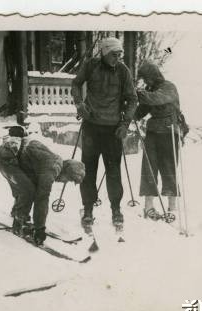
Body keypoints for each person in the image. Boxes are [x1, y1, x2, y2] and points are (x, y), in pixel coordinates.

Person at [71, 37, 137, 228]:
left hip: (113, 130)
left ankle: (116, 210)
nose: (117, 58)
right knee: (88, 171)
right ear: (104, 53)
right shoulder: (91, 66)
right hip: (91, 127)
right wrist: (79, 103)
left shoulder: (124, 71)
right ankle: (88, 210)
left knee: (114, 172)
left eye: (119, 55)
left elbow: (132, 99)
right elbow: (76, 84)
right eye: (114, 55)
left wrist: (125, 124)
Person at [0, 126, 85, 244]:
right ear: (66, 171)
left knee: (28, 186)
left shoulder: (52, 161)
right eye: (68, 179)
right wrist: (40, 228)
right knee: (28, 190)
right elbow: (42, 198)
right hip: (6, 158)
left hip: (9, 156)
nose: (64, 182)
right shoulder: (52, 168)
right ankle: (19, 223)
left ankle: (18, 214)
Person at [135, 61, 181, 219]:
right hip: (153, 133)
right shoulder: (149, 90)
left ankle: (172, 207)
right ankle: (148, 207)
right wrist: (127, 114)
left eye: (146, 78)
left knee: (169, 169)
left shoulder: (169, 87)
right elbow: (141, 110)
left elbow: (157, 99)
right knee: (149, 168)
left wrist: (138, 94)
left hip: (169, 132)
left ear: (153, 76)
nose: (146, 81)